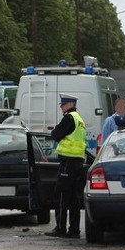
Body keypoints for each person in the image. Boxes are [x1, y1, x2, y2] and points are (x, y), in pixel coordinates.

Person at [44, 93, 87, 239]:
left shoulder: (69, 118)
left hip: (68, 162)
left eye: (63, 105)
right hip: (78, 163)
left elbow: (56, 135)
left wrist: (54, 130)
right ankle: (74, 230)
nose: (61, 107)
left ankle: (60, 228)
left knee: (61, 195)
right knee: (75, 198)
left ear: (70, 104)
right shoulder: (80, 119)